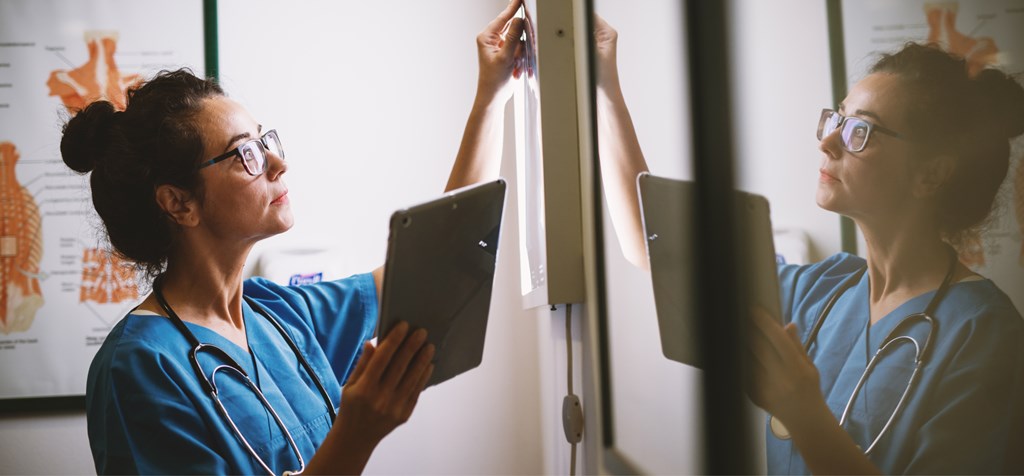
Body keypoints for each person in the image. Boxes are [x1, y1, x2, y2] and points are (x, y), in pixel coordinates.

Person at [63, 2, 525, 474]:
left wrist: (492, 94)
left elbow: (438, 266)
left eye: (264, 142)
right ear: (178, 203)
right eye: (245, 153)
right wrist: (356, 434)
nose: (277, 163)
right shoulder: (138, 368)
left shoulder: (277, 315)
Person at [594, 16, 1024, 475]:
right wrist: (603, 83)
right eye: (836, 118)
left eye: (862, 130)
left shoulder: (984, 332)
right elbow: (652, 248)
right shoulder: (824, 290)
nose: (828, 141)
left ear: (931, 174)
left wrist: (803, 414)